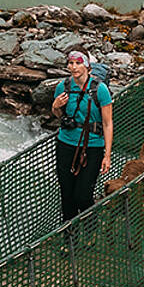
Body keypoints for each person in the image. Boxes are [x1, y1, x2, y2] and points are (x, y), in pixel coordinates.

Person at [51, 50, 112, 223]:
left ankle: (91, 227)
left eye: (78, 62)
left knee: (83, 195)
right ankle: (70, 237)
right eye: (71, 63)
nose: (74, 67)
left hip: (92, 147)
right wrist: (55, 106)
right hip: (65, 144)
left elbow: (107, 124)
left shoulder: (100, 90)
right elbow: (59, 115)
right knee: (67, 194)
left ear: (87, 65)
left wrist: (107, 155)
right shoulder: (63, 87)